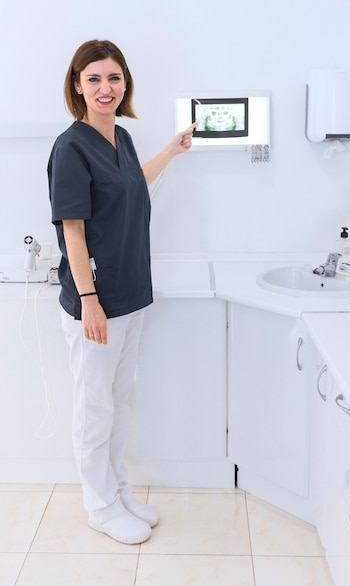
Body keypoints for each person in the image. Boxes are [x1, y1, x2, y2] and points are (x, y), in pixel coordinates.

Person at [47, 39, 196, 545]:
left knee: (120, 403)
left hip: (130, 294)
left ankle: (119, 491)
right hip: (97, 304)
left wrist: (171, 152)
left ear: (125, 83)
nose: (105, 88)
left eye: (113, 78)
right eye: (93, 79)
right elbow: (72, 230)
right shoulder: (71, 147)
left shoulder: (123, 139)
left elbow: (135, 184)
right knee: (94, 409)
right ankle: (99, 506)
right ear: (77, 86)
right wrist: (90, 301)